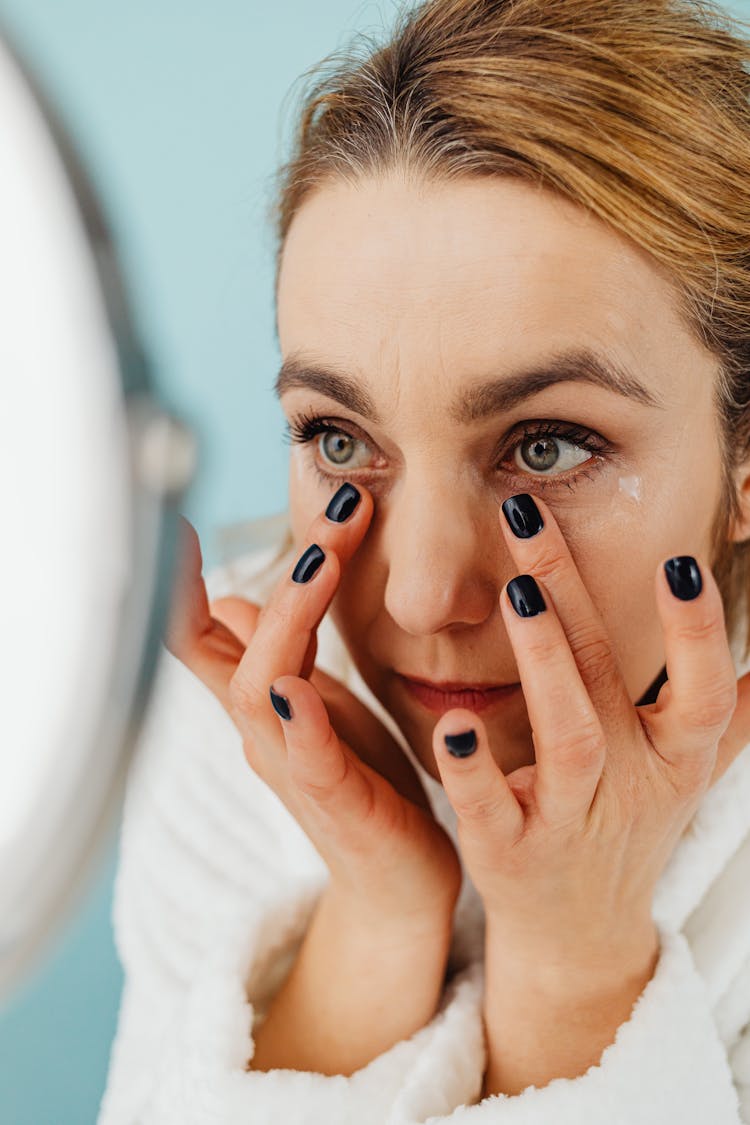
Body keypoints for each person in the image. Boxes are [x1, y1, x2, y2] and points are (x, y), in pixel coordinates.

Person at [98, 0, 750, 1120]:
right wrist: (377, 914)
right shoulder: (244, 728)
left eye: (546, 448)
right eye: (339, 439)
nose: (419, 594)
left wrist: (576, 963)